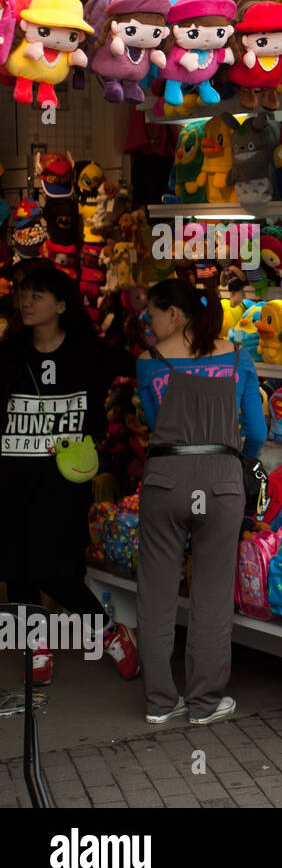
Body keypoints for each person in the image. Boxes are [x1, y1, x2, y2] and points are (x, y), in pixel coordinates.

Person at [0, 263, 140, 683]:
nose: (26, 303)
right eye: (24, 295)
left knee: (55, 568)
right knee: (17, 566)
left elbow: (143, 368)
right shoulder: (8, 354)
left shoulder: (89, 352)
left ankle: (107, 630)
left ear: (61, 305)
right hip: (12, 476)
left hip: (65, 480)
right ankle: (36, 647)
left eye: (37, 296)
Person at [135, 278, 266, 726]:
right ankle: (203, 705)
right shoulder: (237, 356)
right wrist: (233, 464)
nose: (148, 324)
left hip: (166, 480)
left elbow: (157, 425)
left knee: (156, 595)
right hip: (222, 482)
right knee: (211, 597)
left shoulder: (148, 362)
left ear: (175, 314)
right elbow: (258, 431)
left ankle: (159, 704)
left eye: (152, 313)